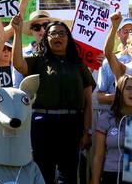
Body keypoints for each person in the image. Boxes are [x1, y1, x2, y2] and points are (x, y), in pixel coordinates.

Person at [12, 13, 95, 183]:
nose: (57, 36)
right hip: (42, 124)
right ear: (46, 38)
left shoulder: (79, 65)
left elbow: (88, 102)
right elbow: (19, 64)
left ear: (68, 38)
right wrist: (17, 32)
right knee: (43, 173)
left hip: (72, 125)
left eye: (62, 33)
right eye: (53, 33)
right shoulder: (38, 61)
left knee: (69, 174)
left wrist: (86, 131)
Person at [91, 75, 132, 184]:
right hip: (111, 175)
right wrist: (95, 181)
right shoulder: (106, 118)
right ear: (120, 93)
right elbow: (98, 156)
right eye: (128, 88)